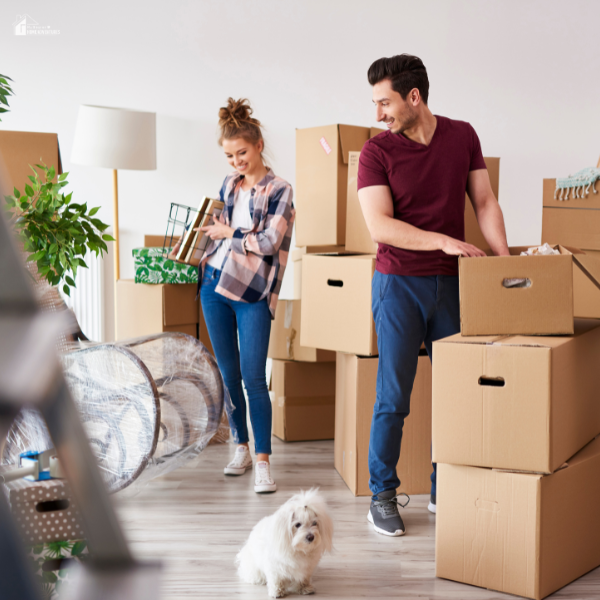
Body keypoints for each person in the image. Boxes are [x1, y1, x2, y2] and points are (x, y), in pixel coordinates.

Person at [357, 54, 510, 536]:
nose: (379, 112)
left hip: (453, 287)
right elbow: (379, 225)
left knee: (457, 394)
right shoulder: (375, 152)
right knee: (393, 397)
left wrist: (505, 262)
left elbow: (483, 201)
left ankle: (445, 487)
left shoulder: (462, 135)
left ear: (414, 97)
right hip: (399, 284)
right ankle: (381, 494)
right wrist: (442, 239)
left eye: (385, 102)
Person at [198, 97, 295, 493]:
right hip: (214, 287)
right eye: (229, 155)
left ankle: (263, 463)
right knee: (228, 374)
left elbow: (271, 241)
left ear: (257, 146)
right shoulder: (228, 185)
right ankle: (239, 446)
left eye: (242, 152)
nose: (236, 161)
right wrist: (194, 247)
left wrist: (230, 235)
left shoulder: (280, 189)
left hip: (252, 293)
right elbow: (216, 229)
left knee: (255, 378)